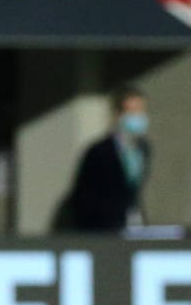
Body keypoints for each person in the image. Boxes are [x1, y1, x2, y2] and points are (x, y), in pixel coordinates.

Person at [58, 86, 151, 232]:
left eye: (141, 111)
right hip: (103, 229)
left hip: (132, 226)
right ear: (118, 115)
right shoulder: (98, 152)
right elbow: (85, 198)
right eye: (132, 112)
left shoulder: (143, 149)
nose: (138, 117)